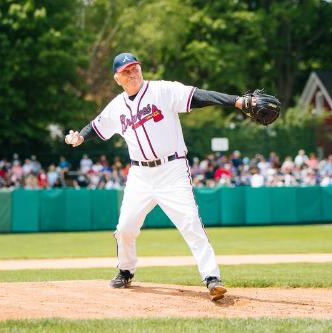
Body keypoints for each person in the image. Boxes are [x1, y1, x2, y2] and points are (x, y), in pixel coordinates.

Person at [64, 52, 279, 301]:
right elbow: (96, 125)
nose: (132, 73)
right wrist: (79, 136)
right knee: (124, 228)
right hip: (140, 175)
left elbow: (198, 96)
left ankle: (212, 277)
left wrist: (237, 102)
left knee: (190, 222)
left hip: (172, 170)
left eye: (135, 68)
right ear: (117, 78)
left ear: (141, 69)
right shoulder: (116, 106)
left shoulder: (162, 91)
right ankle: (125, 270)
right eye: (126, 71)